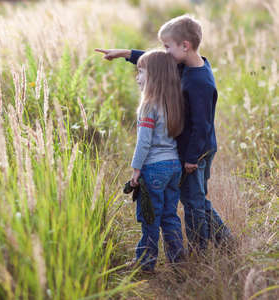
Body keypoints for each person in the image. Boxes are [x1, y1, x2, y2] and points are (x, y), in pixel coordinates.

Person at [95, 15, 233, 254]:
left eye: (167, 46)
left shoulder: (199, 82)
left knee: (193, 202)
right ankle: (224, 240)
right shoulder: (185, 63)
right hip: (192, 150)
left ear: (185, 46)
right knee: (196, 198)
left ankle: (201, 249)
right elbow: (156, 63)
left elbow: (202, 126)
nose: (164, 51)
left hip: (197, 152)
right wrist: (124, 53)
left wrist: (191, 158)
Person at [125, 49, 185, 272]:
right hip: (174, 167)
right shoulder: (173, 103)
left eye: (141, 72)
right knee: (169, 216)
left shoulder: (148, 106)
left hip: (154, 169)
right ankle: (178, 261)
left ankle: (146, 262)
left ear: (154, 76)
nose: (137, 77)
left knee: (150, 217)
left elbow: (144, 143)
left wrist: (136, 170)